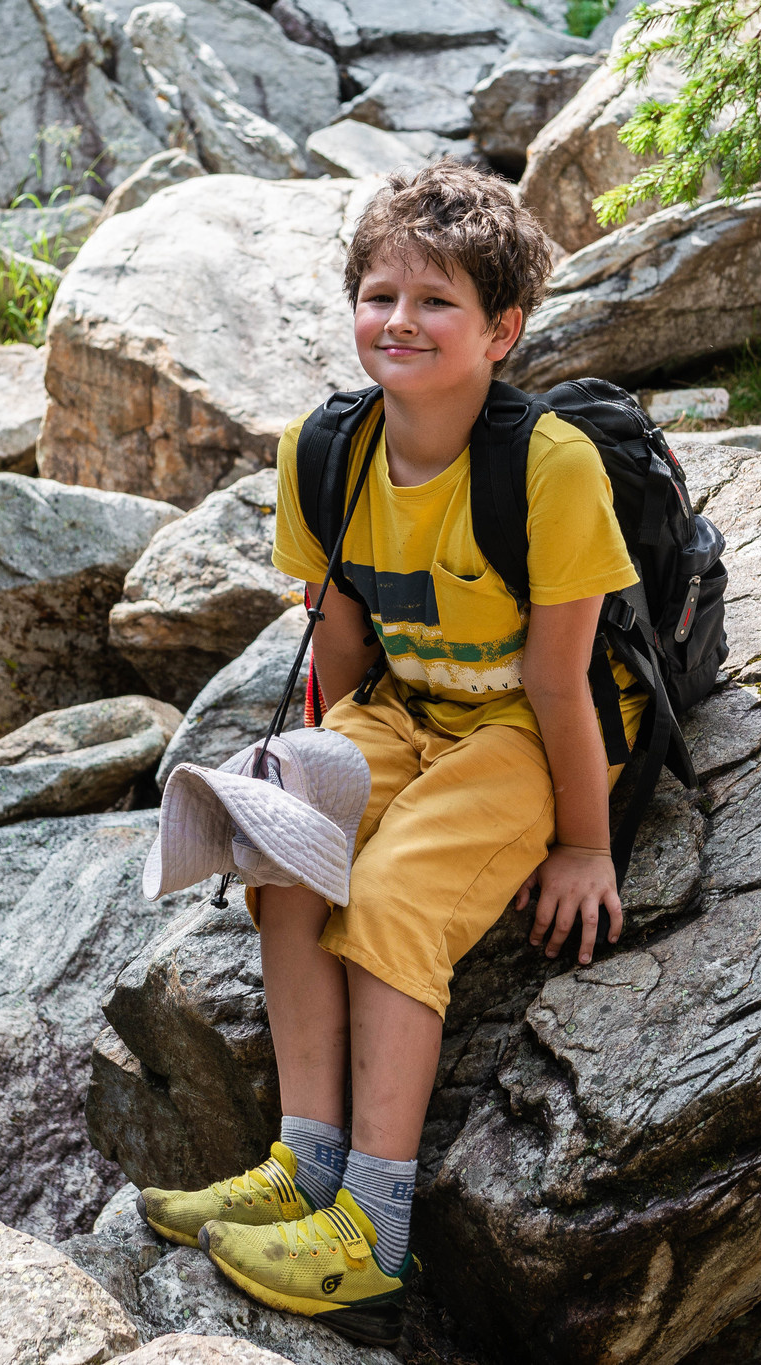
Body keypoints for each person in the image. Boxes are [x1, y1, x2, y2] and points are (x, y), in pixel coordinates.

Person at [136, 160, 646, 1344]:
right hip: (410, 704)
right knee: (283, 826)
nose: (399, 321)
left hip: (528, 724)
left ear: (500, 330)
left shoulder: (547, 466)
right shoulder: (323, 451)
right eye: (379, 294)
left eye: (435, 302)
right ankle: (303, 1167)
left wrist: (582, 840)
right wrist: (330, 770)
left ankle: (373, 1229)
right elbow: (346, 637)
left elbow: (562, 679)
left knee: (401, 891)